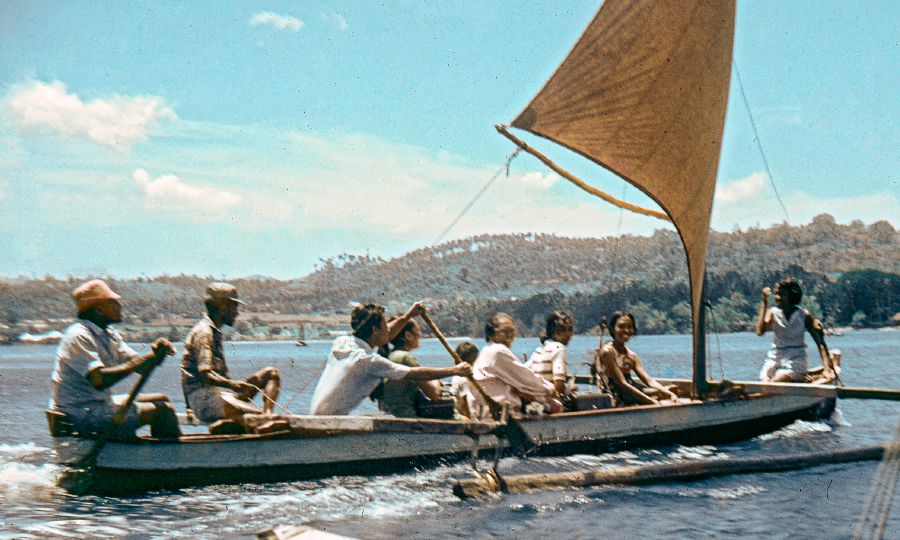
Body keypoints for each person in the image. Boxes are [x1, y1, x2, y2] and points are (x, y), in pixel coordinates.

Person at [49, 279, 181, 440]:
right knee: (163, 411)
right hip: (79, 413)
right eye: (113, 303)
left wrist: (157, 353)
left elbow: (140, 366)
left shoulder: (109, 335)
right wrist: (142, 361)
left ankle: (138, 449)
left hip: (97, 405)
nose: (120, 306)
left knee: (161, 399)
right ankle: (171, 458)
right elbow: (99, 380)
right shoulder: (78, 335)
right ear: (98, 309)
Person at [309, 301, 471, 416]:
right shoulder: (368, 361)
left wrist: (408, 316)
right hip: (328, 423)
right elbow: (415, 374)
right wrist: (455, 370)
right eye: (385, 326)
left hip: (316, 416)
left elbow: (384, 336)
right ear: (374, 330)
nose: (389, 331)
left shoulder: (342, 342)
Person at [182, 283, 282, 425]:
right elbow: (205, 375)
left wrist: (233, 387)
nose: (237, 313)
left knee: (271, 373)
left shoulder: (214, 331)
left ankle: (266, 419)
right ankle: (255, 421)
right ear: (223, 308)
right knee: (256, 416)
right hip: (206, 401)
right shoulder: (205, 333)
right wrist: (233, 384)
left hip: (221, 395)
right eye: (234, 307)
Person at [467, 313, 555, 419]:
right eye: (504, 331)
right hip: (497, 414)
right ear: (491, 335)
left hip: (482, 412)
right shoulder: (498, 351)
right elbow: (526, 379)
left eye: (512, 331)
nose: (510, 335)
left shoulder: (487, 350)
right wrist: (551, 388)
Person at [754, 276, 836, 383]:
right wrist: (764, 302)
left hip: (795, 360)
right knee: (764, 382)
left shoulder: (803, 315)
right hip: (774, 359)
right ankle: (798, 380)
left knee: (775, 382)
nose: (777, 297)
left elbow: (820, 343)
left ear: (791, 296)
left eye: (781, 294)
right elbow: (759, 331)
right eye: (776, 294)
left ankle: (801, 378)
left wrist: (827, 369)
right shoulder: (773, 313)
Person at [596, 310, 679, 406]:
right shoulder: (608, 352)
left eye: (629, 327)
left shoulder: (632, 355)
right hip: (615, 394)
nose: (626, 330)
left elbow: (648, 380)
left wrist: (670, 394)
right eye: (621, 326)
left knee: (663, 391)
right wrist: (652, 402)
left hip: (631, 388)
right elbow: (622, 383)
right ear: (612, 329)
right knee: (653, 395)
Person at [376, 318, 442, 418]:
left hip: (389, 416)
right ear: (408, 336)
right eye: (418, 331)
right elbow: (433, 393)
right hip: (405, 419)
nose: (420, 334)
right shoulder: (405, 358)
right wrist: (436, 380)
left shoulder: (388, 356)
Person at [525, 311, 574, 397]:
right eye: (569, 329)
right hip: (549, 403)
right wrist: (568, 391)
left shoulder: (538, 351)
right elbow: (558, 384)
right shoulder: (559, 348)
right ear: (558, 333)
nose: (571, 334)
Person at [450, 341, 479, 419]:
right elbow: (465, 403)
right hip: (467, 417)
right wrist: (470, 420)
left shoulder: (458, 377)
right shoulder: (462, 379)